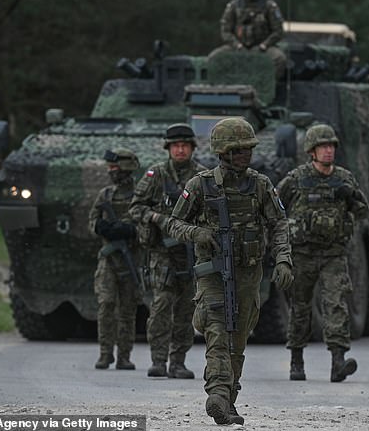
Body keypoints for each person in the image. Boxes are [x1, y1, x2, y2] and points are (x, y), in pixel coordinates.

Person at [167, 117, 292, 425]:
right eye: (237, 151)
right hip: (213, 273)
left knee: (238, 337)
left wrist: (284, 259)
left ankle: (228, 400)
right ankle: (217, 394)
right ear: (223, 153)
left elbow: (278, 224)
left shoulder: (260, 185)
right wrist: (199, 234)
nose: (244, 156)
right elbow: (174, 223)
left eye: (247, 150)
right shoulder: (201, 184)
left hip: (248, 274)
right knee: (217, 332)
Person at [277, 123, 369, 382]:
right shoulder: (296, 180)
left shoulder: (344, 178)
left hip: (333, 254)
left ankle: (338, 362)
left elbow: (363, 211)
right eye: (322, 147)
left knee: (336, 303)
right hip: (303, 254)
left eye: (331, 146)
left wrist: (350, 196)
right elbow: (273, 206)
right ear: (311, 151)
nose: (328, 151)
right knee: (300, 307)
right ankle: (296, 360)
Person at [129, 124, 206, 379]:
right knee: (161, 306)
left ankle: (178, 362)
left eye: (185, 145)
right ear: (169, 148)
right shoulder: (156, 175)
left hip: (190, 252)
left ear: (192, 148)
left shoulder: (202, 176)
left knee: (186, 309)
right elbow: (135, 208)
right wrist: (156, 217)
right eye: (176, 146)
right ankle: (158, 360)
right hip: (162, 252)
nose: (180, 149)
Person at [88, 148, 142, 370]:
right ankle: (104, 353)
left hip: (131, 260)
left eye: (115, 168)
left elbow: (148, 225)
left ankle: (124, 356)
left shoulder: (140, 195)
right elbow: (92, 221)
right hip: (108, 260)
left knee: (128, 309)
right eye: (110, 168)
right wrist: (101, 227)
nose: (111, 172)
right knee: (106, 304)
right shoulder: (106, 195)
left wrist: (131, 230)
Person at [209, 0, 286, 78]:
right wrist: (237, 45)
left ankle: (266, 87)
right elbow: (225, 31)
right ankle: (225, 86)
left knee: (279, 58)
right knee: (214, 58)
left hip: (262, 48)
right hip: (238, 47)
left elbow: (278, 31)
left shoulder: (269, 6)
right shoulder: (234, 6)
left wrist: (264, 45)